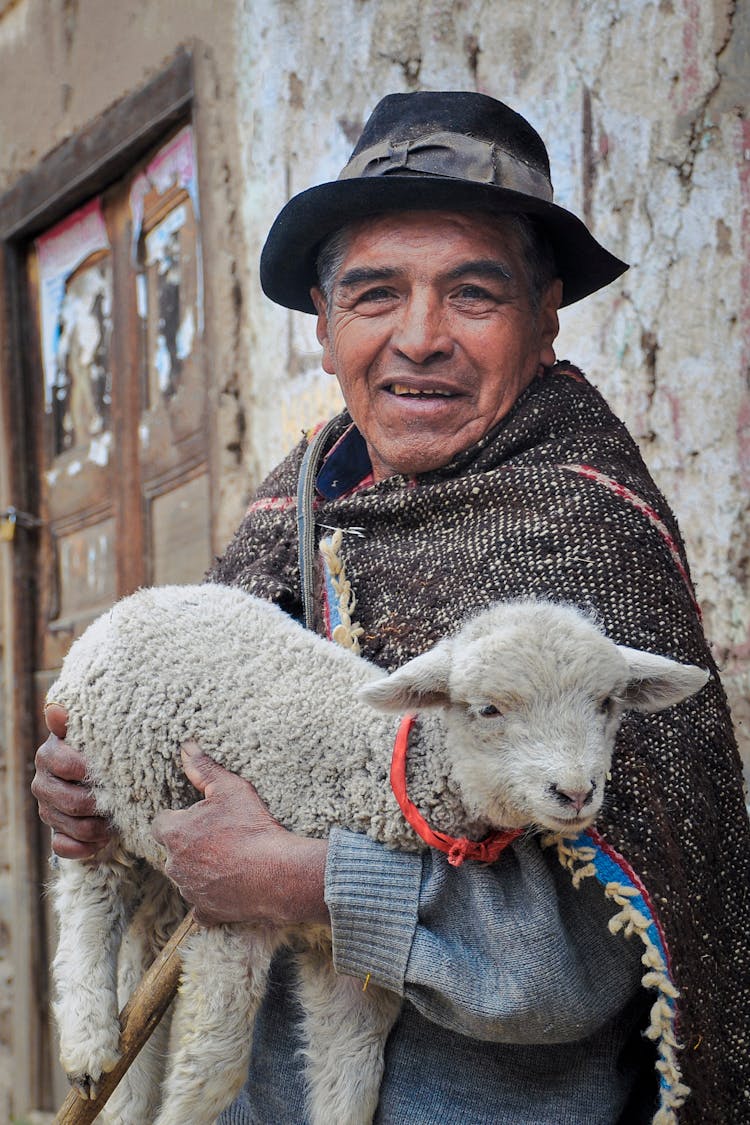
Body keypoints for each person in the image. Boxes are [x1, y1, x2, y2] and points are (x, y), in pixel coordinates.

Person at [33, 92, 750, 1124]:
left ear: (545, 316)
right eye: (374, 296)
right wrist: (101, 796)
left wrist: (299, 881)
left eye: (473, 293)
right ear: (324, 330)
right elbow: (197, 764)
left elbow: (573, 976)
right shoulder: (303, 502)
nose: (420, 338)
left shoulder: (585, 548)